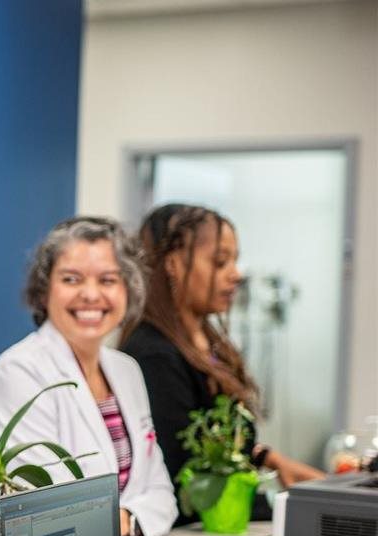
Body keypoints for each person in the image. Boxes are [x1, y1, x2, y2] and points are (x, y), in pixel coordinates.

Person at [0, 217, 178, 536]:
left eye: (108, 280)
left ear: (128, 290)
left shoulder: (127, 371)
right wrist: (119, 518)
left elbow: (162, 494)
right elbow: (41, 511)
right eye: (71, 279)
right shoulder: (20, 370)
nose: (91, 294)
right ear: (44, 291)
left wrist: (125, 520)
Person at [121, 204, 324, 509]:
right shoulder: (153, 355)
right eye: (219, 262)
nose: (236, 274)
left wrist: (269, 459)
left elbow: (216, 439)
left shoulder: (209, 342)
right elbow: (186, 479)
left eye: (234, 260)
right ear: (173, 264)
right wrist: (283, 509)